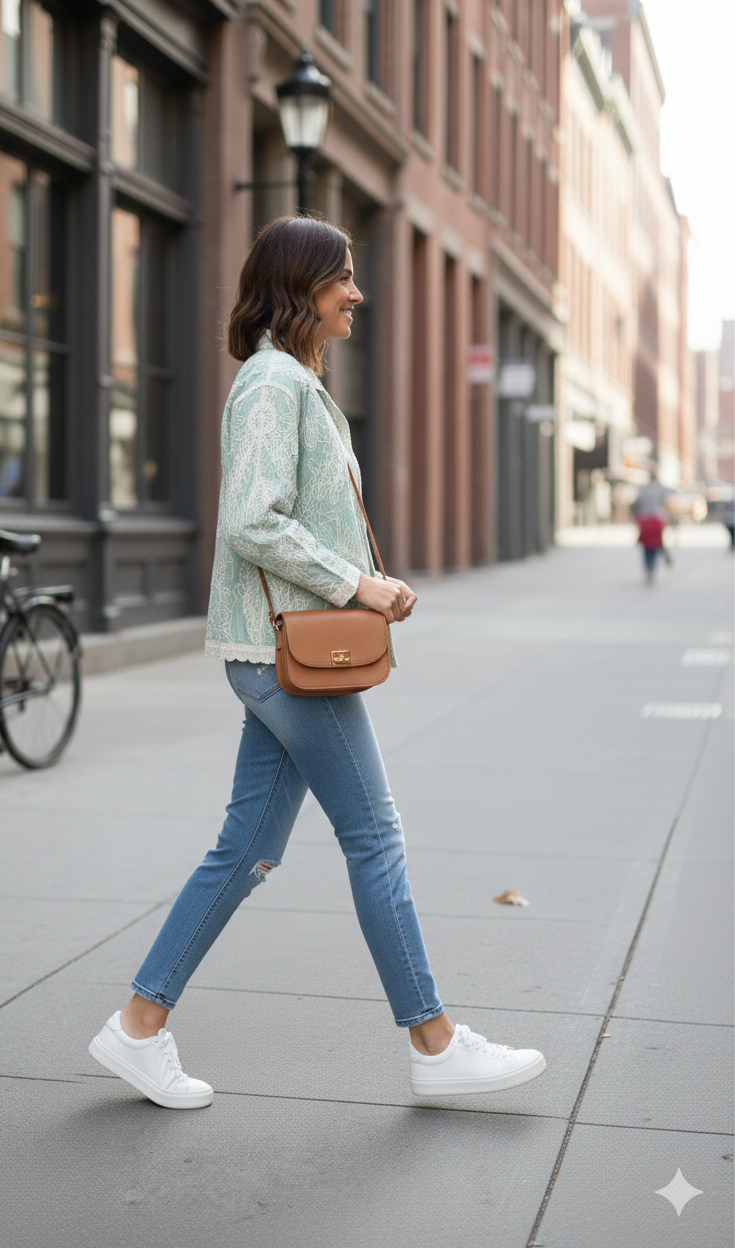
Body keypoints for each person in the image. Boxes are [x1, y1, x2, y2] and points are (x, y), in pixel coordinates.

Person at [89, 215, 546, 1109]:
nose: (357, 293)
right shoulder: (271, 383)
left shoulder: (293, 382)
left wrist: (368, 579)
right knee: (375, 837)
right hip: (286, 656)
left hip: (282, 652)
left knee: (247, 848)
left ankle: (137, 1027)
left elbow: (287, 516)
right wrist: (358, 586)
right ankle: (435, 1043)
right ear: (300, 287)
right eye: (342, 277)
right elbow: (252, 521)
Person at [638, 511, 666, 582]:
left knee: (647, 558)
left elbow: (642, 533)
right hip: (654, 544)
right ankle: (651, 570)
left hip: (646, 544)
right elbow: (659, 534)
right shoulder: (657, 522)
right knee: (652, 558)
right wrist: (661, 542)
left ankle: (648, 570)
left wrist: (639, 540)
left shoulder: (645, 522)